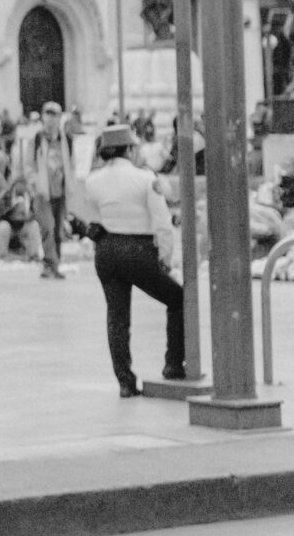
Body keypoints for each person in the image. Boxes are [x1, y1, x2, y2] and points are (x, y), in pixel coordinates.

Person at [80, 123, 185, 396]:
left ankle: (125, 381)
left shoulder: (93, 181)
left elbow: (93, 220)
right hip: (138, 248)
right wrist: (165, 257)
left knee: (117, 317)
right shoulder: (145, 179)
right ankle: (173, 363)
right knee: (177, 299)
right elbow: (162, 223)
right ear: (128, 149)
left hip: (107, 249)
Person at [24, 99, 71, 279]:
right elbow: (29, 165)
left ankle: (54, 264)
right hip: (42, 192)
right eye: (48, 115)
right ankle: (50, 263)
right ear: (43, 117)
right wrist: (34, 183)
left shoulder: (65, 140)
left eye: (55, 115)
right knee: (48, 228)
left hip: (61, 191)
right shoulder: (36, 140)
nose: (51, 119)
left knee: (58, 230)